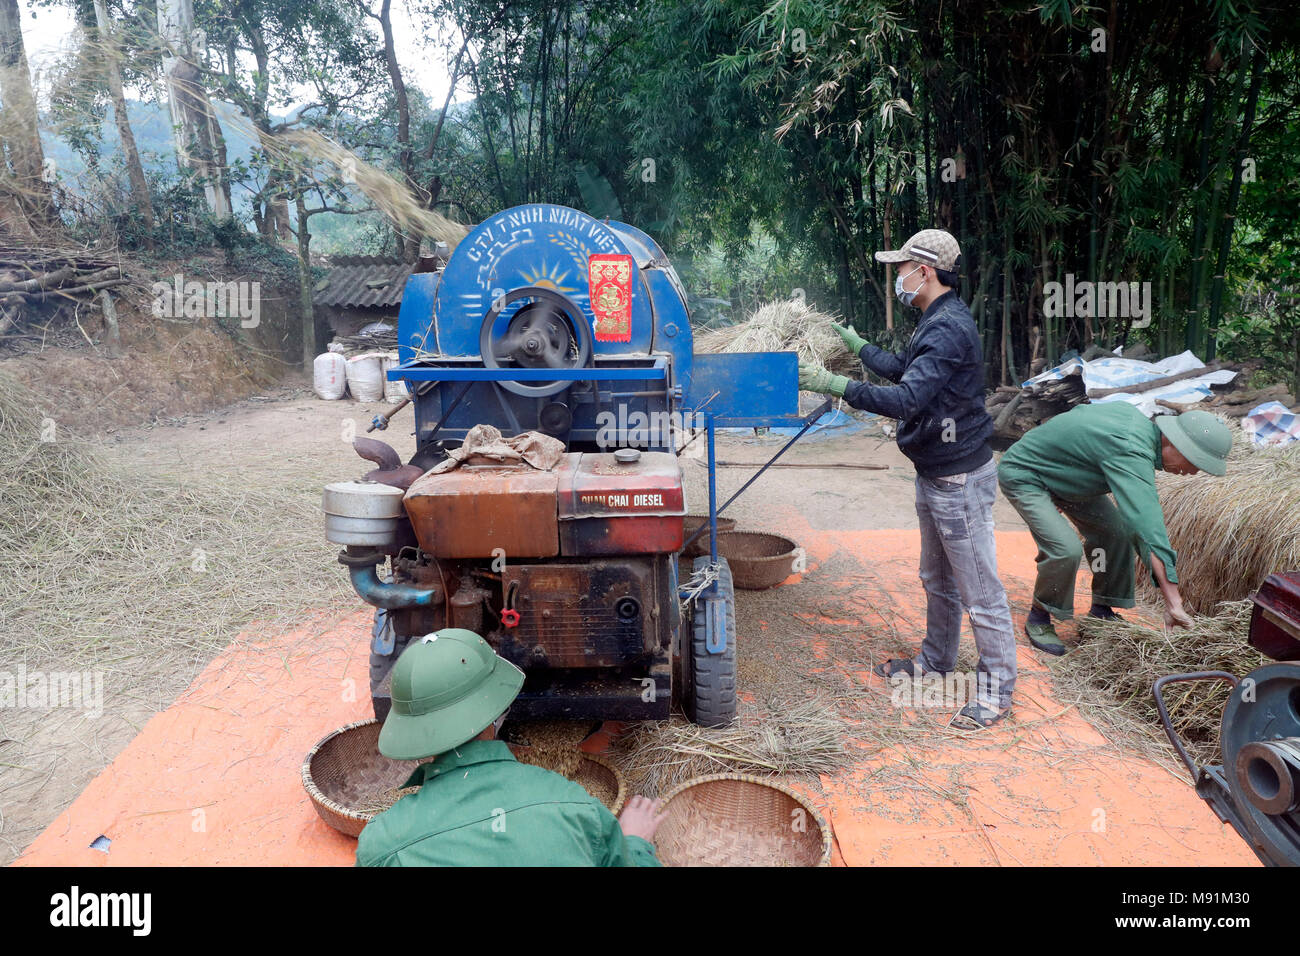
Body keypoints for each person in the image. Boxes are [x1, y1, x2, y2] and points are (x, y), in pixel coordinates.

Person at [797, 229, 1017, 730]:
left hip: (959, 477)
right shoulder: (934, 318)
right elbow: (903, 370)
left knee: (979, 588)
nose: (897, 277)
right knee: (938, 579)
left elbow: (906, 400)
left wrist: (838, 385)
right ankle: (936, 662)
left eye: (901, 269)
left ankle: (996, 691)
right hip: (937, 472)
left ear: (926, 271)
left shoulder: (947, 328)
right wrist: (861, 348)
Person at [356, 628, 665, 866]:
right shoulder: (575, 807)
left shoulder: (382, 844)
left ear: (414, 732)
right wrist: (635, 842)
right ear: (498, 713)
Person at [997, 404, 1231, 654]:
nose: (1192, 472)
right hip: (1027, 474)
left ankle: (1102, 610)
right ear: (1174, 443)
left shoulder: (1139, 430)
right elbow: (1146, 525)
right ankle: (1040, 616)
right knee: (1065, 549)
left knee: (1114, 534)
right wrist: (1173, 601)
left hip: (1070, 478)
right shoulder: (1130, 447)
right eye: (1194, 462)